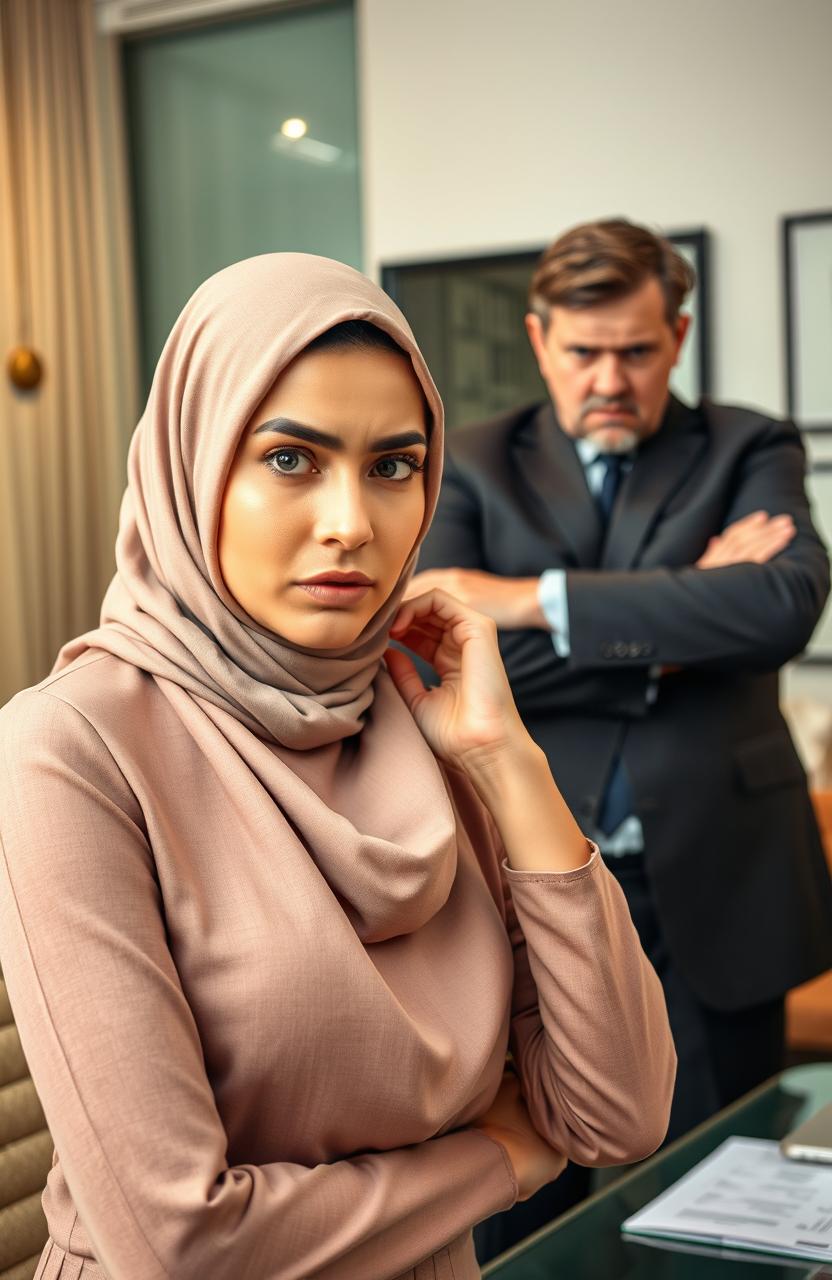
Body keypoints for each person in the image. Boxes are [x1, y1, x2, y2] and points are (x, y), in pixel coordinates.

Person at [0, 253, 675, 1280]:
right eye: (290, 458)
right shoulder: (72, 748)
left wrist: (509, 765)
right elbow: (177, 1242)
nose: (352, 521)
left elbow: (620, 1109)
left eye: (394, 465)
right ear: (193, 463)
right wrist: (500, 1153)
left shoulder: (430, 719)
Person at [413, 218, 832, 1165]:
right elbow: (444, 661)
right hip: (526, 882)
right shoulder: (470, 462)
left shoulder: (748, 447)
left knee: (728, 1173)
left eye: (637, 352)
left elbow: (778, 610)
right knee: (524, 1186)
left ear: (677, 338)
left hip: (725, 877)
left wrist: (529, 602)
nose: (609, 380)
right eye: (584, 353)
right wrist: (686, 617)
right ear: (538, 342)